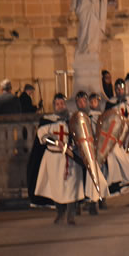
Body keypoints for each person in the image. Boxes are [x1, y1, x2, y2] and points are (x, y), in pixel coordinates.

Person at [28, 93, 84, 225]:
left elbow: (80, 134)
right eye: (58, 104)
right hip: (53, 158)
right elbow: (42, 135)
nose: (60, 106)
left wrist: (75, 145)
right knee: (56, 187)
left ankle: (71, 215)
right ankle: (60, 212)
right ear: (54, 106)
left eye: (62, 103)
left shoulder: (73, 118)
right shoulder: (48, 120)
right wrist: (55, 143)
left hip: (70, 157)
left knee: (72, 186)